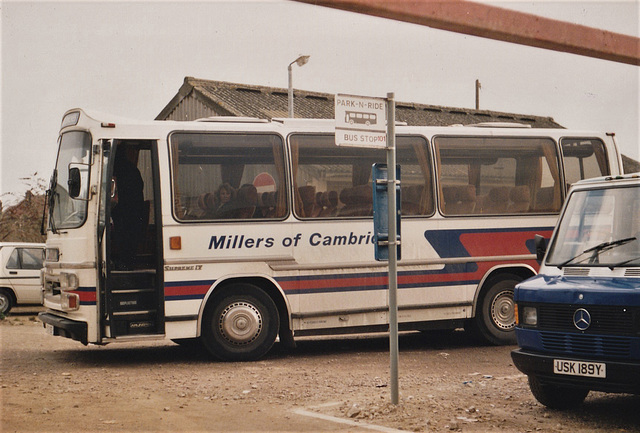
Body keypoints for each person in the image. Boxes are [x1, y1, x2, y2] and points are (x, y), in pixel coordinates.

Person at [111, 144, 145, 270]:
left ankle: (124, 263)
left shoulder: (115, 169)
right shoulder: (132, 169)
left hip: (125, 211)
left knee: (123, 238)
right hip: (135, 211)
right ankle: (127, 262)